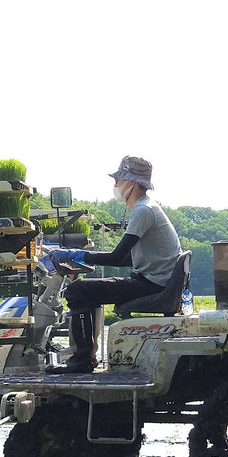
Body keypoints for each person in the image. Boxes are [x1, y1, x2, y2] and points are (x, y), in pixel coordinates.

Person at [47, 155, 182, 373]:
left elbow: (115, 258)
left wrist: (77, 255)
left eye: (119, 180)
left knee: (76, 290)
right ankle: (86, 356)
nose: (116, 185)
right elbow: (129, 259)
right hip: (154, 280)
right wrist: (82, 257)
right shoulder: (148, 208)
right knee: (89, 291)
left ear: (134, 184)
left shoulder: (143, 211)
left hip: (151, 284)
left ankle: (81, 361)